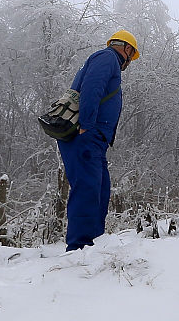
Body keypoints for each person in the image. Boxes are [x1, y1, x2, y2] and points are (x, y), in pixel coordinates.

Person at [57, 30, 140, 251]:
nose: (130, 61)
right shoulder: (107, 58)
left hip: (94, 138)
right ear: (127, 48)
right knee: (88, 189)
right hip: (87, 135)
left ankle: (93, 243)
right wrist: (86, 124)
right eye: (132, 55)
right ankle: (79, 247)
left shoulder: (105, 59)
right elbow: (92, 88)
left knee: (99, 189)